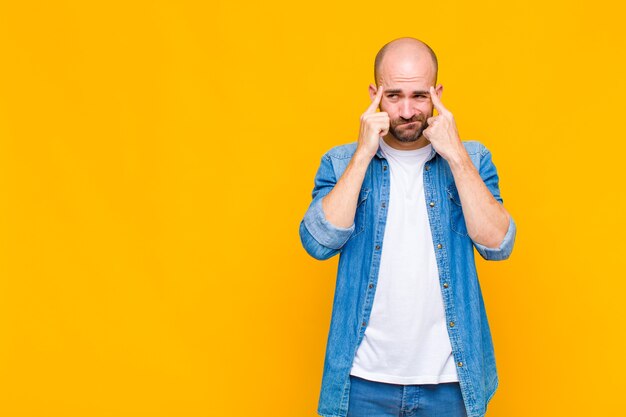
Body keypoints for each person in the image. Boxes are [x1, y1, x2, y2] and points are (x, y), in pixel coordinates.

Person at [298, 37, 517, 417]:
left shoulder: (473, 158)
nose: (406, 110)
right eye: (394, 96)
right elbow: (318, 242)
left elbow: (498, 244)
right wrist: (364, 153)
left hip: (451, 382)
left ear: (438, 93)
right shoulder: (341, 162)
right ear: (374, 94)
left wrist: (455, 153)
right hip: (362, 381)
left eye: (419, 96)